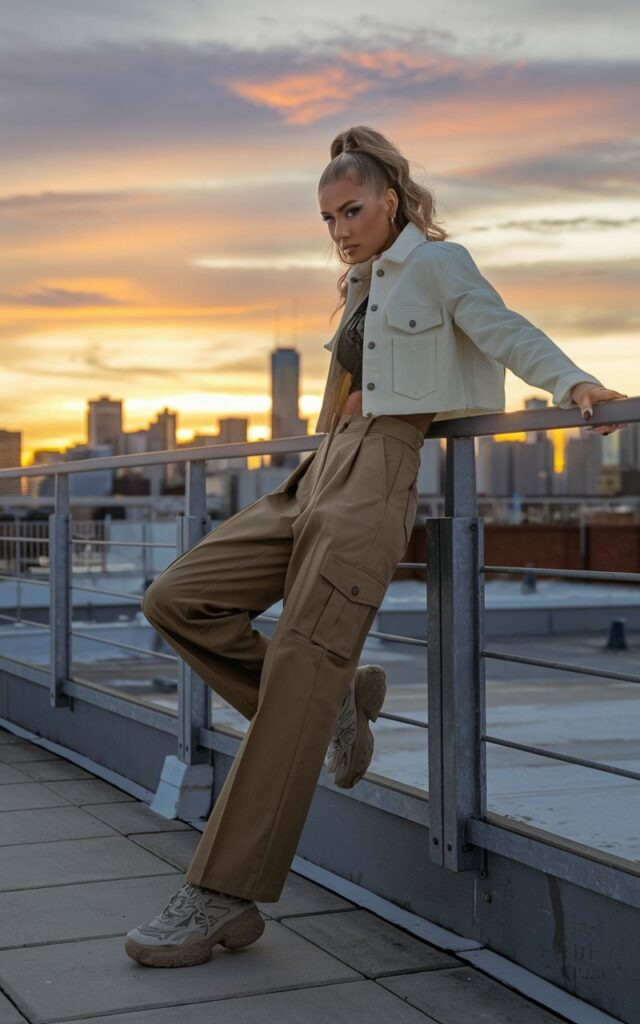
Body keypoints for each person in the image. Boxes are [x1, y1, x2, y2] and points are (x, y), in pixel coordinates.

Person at [124, 126, 628, 968]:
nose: (339, 230)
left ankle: (221, 897)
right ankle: (336, 703)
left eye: (351, 211)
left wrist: (573, 382)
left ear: (389, 200)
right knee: (176, 598)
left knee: (298, 673)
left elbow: (502, 328)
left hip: (377, 479)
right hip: (318, 469)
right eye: (328, 218)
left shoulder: (438, 263)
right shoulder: (362, 283)